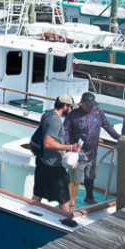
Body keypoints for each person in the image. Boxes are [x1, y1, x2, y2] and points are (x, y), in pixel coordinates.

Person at [64, 91, 120, 206]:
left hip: (92, 152)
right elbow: (65, 131)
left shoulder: (98, 112)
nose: (90, 107)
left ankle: (89, 197)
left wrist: (118, 137)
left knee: (90, 176)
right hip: (78, 153)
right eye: (87, 104)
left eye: (91, 105)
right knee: (75, 180)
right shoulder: (73, 115)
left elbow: (107, 126)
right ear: (81, 104)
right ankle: (71, 204)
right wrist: (69, 147)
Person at [32, 94, 82, 222]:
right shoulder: (55, 120)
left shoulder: (47, 114)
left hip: (42, 160)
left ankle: (31, 213)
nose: (71, 110)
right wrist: (70, 148)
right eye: (70, 107)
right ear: (65, 106)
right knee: (63, 196)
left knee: (38, 191)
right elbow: (48, 143)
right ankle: (68, 221)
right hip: (52, 165)